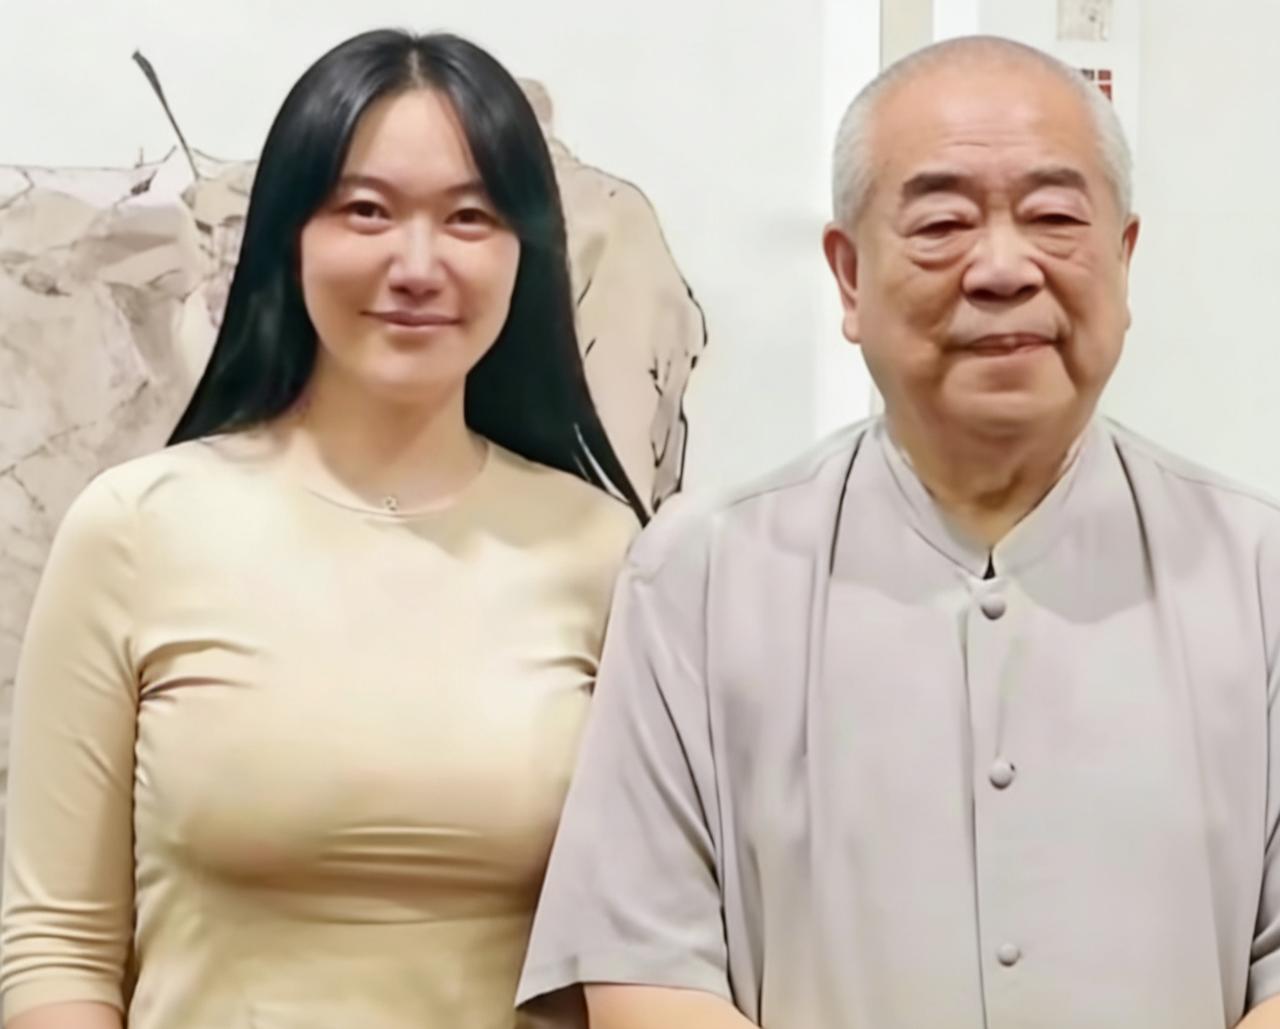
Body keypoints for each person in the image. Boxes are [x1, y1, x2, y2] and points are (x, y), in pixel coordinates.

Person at [516, 35, 1280, 1029]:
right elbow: (645, 968)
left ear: (1123, 259)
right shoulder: (698, 577)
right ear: (848, 277)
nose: (1002, 268)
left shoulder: (1258, 574)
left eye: (1054, 218)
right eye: (941, 224)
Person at [0, 28, 642, 1029]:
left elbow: (645, 951)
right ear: (287, 236)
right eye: (366, 211)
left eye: (470, 216)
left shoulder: (604, 553)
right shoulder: (132, 531)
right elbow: (58, 946)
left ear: (525, 250)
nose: (417, 264)